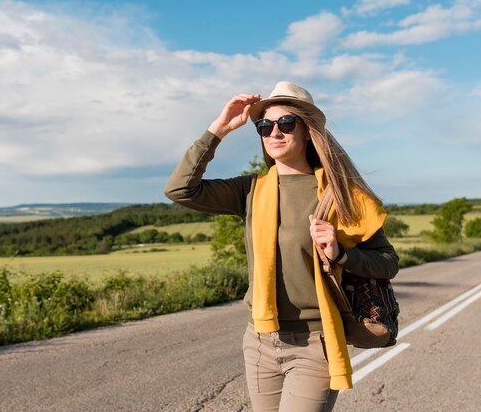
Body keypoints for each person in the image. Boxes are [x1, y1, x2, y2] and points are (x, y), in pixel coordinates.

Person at [164, 81, 399, 412]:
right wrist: (219, 128)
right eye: (265, 126)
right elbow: (180, 190)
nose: (274, 132)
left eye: (286, 123)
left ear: (307, 131)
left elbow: (388, 262)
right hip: (260, 341)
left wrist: (341, 253)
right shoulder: (250, 190)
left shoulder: (341, 195)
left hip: (315, 344)